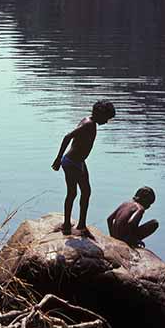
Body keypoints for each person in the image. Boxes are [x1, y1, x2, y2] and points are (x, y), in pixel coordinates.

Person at [52, 100, 115, 237]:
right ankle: (67, 225)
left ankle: (81, 225)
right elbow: (68, 136)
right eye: (107, 118)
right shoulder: (88, 124)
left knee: (86, 192)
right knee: (72, 193)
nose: (107, 121)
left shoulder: (91, 122)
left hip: (80, 162)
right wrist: (58, 159)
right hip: (71, 162)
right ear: (100, 114)